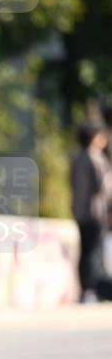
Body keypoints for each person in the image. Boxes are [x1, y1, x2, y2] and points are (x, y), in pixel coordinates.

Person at [70, 116, 112, 302]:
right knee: (93, 252)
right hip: (95, 213)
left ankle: (85, 290)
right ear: (94, 137)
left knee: (85, 252)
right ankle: (92, 290)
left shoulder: (76, 158)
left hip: (79, 211)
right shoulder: (97, 159)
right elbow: (101, 187)